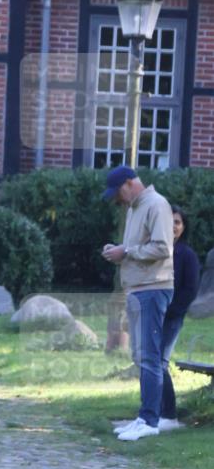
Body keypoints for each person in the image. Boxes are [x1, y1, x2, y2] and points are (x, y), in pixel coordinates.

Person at [101, 165, 173, 441]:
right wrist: (118, 249)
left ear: (130, 183)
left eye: (117, 192)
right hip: (138, 289)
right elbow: (137, 247)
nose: (117, 200)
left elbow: (163, 247)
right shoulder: (134, 208)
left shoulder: (157, 205)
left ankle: (150, 421)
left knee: (149, 357)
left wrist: (126, 251)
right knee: (141, 356)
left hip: (153, 288)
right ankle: (145, 416)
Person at [157, 206, 200, 429]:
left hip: (172, 316)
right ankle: (151, 411)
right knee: (148, 361)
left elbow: (190, 289)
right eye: (170, 221)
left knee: (160, 362)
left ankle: (169, 414)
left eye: (178, 222)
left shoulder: (187, 255)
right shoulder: (156, 250)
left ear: (183, 227)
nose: (173, 226)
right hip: (153, 314)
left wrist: (173, 309)